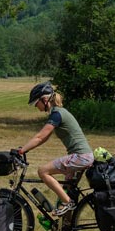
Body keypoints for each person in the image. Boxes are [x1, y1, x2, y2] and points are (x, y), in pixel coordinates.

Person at [19, 81, 94, 216]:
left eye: (37, 103)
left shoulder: (57, 114)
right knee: (65, 190)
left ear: (45, 99)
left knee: (43, 171)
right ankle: (64, 228)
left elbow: (40, 137)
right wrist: (26, 148)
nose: (36, 106)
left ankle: (68, 203)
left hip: (81, 157)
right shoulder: (57, 113)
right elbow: (45, 138)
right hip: (82, 156)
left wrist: (21, 151)